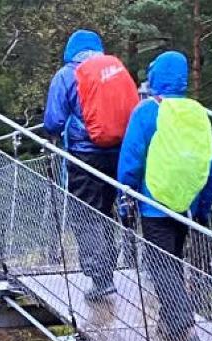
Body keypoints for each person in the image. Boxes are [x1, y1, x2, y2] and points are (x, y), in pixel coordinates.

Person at [117, 51, 212, 341]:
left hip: (154, 202)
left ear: (155, 77)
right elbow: (210, 164)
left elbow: (131, 160)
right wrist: (203, 207)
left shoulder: (147, 112)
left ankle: (182, 326)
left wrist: (126, 194)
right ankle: (168, 322)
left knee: (159, 264)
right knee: (172, 260)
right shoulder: (197, 113)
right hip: (187, 202)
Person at [42, 29, 134, 301]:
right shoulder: (114, 71)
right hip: (118, 152)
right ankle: (108, 269)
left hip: (84, 155)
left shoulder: (67, 75)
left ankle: (101, 276)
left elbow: (53, 121)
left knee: (85, 215)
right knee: (106, 212)